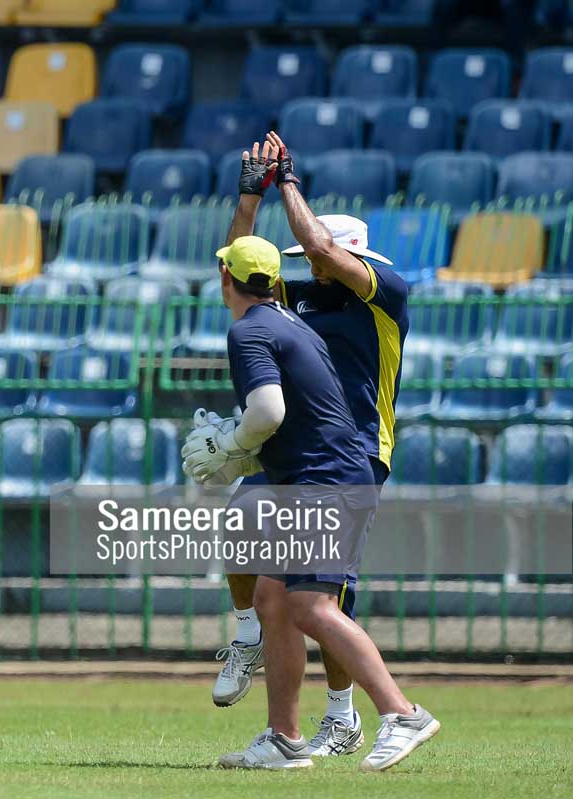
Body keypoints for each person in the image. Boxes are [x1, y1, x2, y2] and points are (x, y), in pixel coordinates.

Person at [181, 237, 437, 771]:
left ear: (226, 279)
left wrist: (230, 446)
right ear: (274, 280)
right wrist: (245, 455)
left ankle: (401, 713)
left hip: (325, 479)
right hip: (317, 472)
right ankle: (285, 739)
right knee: (276, 601)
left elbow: (271, 411)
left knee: (312, 607)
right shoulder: (291, 322)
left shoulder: (251, 329)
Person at [209, 132, 410, 759]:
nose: (308, 263)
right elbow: (243, 267)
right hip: (301, 454)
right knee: (256, 555)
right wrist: (250, 195)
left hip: (355, 455)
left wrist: (289, 181)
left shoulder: (385, 291)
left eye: (317, 255)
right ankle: (266, 682)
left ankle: (347, 712)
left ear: (352, 255)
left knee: (321, 599)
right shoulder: (301, 302)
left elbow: (321, 246)